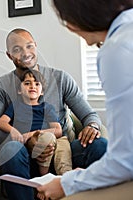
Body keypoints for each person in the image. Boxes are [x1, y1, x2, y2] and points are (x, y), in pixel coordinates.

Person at [0, 28, 107, 199]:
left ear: (36, 47)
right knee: (11, 148)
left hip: (62, 150)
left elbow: (88, 115)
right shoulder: (0, 86)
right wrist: (26, 141)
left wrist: (92, 126)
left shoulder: (61, 78)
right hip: (22, 154)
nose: (25, 53)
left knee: (100, 144)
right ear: (9, 55)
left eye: (29, 46)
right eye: (17, 49)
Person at [37, 0, 133, 199]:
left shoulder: (117, 49)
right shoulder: (4, 89)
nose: (67, 26)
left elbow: (125, 160)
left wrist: (67, 183)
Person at [0, 69, 63, 176]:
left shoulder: (46, 108)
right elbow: (1, 122)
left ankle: (43, 177)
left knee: (46, 138)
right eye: (27, 83)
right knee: (12, 148)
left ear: (41, 92)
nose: (32, 86)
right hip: (22, 146)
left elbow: (58, 130)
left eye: (37, 84)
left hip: (42, 141)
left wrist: (32, 134)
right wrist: (13, 131)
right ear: (19, 90)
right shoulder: (16, 105)